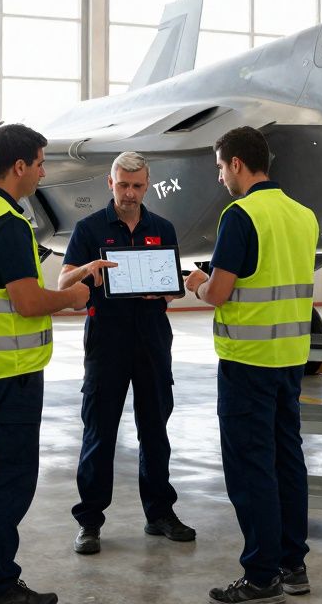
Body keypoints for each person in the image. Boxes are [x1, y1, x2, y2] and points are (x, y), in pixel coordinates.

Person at [0, 123, 92, 604]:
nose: (44, 172)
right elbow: (26, 301)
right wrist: (72, 296)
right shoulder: (7, 223)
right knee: (7, 480)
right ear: (20, 166)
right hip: (9, 372)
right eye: (41, 162)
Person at [185, 127, 319, 604]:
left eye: (221, 167)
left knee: (250, 467)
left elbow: (219, 292)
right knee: (288, 459)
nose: (221, 176)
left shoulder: (240, 216)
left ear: (237, 164)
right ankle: (292, 564)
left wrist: (197, 283)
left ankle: (261, 575)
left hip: (247, 361)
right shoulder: (303, 216)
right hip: (289, 358)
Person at [60, 151, 195, 554]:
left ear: (147, 184)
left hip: (153, 339)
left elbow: (176, 284)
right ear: (110, 183)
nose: (130, 193)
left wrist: (169, 286)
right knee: (99, 433)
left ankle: (159, 514)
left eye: (137, 186)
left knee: (155, 431)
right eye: (123, 185)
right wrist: (87, 270)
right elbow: (64, 279)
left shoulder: (163, 227)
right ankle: (89, 522)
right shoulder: (89, 228)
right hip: (107, 341)